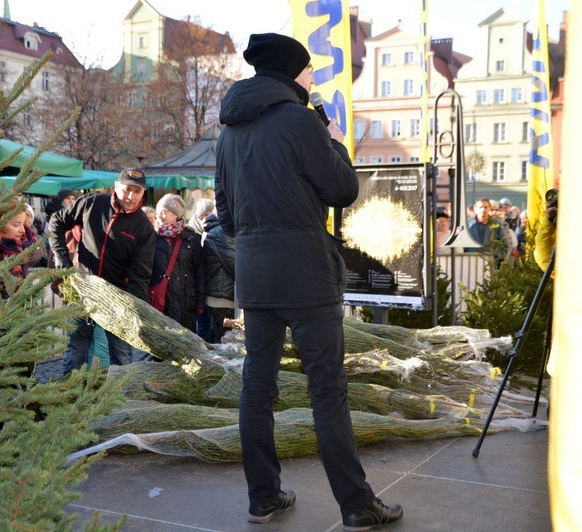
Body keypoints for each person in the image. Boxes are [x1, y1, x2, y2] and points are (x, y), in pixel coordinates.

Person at [215, 33, 403, 529]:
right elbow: (342, 190)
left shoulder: (229, 131)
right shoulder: (302, 121)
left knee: (257, 385)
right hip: (305, 273)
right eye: (310, 71)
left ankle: (262, 498)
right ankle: (357, 505)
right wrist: (337, 144)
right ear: (292, 73)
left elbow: (225, 213)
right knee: (327, 388)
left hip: (254, 275)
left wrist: (258, 241)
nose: (314, 78)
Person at [49, 169, 155, 374]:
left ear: (143, 193)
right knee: (76, 349)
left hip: (117, 297)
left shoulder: (143, 227)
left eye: (136, 191)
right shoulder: (93, 203)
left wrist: (135, 309)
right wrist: (60, 255)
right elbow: (57, 221)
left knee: (121, 355)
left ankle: (120, 397)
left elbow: (140, 275)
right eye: (126, 190)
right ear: (116, 186)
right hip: (83, 289)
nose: (130, 196)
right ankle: (69, 393)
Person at [150, 193, 205, 332]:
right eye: (158, 212)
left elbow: (200, 272)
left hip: (186, 302)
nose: (160, 216)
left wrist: (200, 302)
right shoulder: (151, 236)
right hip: (161, 301)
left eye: (164, 212)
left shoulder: (191, 239)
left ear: (175, 215)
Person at [202, 207, 235, 343]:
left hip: (223, 295)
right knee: (225, 343)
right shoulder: (221, 233)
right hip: (223, 297)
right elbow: (235, 265)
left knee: (222, 339)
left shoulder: (219, 231)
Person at [186, 197, 215, 340]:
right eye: (204, 214)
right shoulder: (195, 234)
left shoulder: (209, 232)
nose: (207, 217)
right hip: (200, 288)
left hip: (206, 287)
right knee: (204, 328)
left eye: (209, 213)